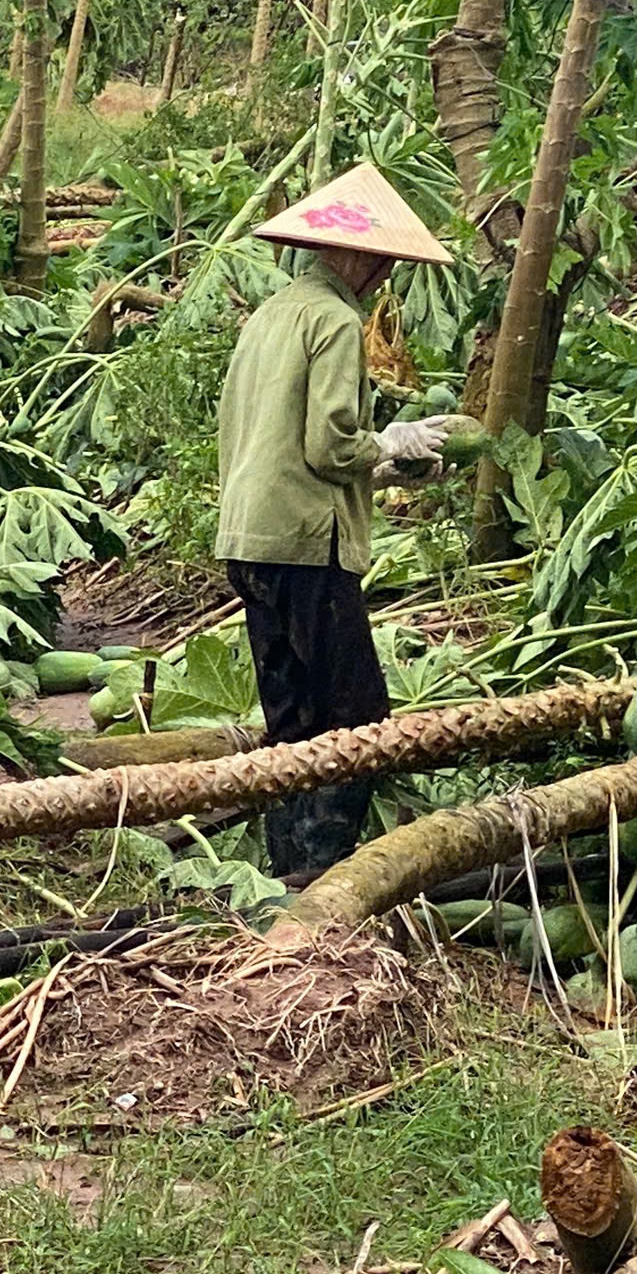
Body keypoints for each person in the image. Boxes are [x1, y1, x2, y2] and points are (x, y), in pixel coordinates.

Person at [213, 162, 458, 882]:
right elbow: (329, 442)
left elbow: (277, 438)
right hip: (304, 545)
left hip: (250, 536)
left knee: (291, 715)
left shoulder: (272, 314)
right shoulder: (336, 320)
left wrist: (382, 468)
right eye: (381, 262)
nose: (382, 277)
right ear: (357, 255)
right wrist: (386, 442)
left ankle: (283, 869)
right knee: (356, 717)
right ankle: (328, 874)